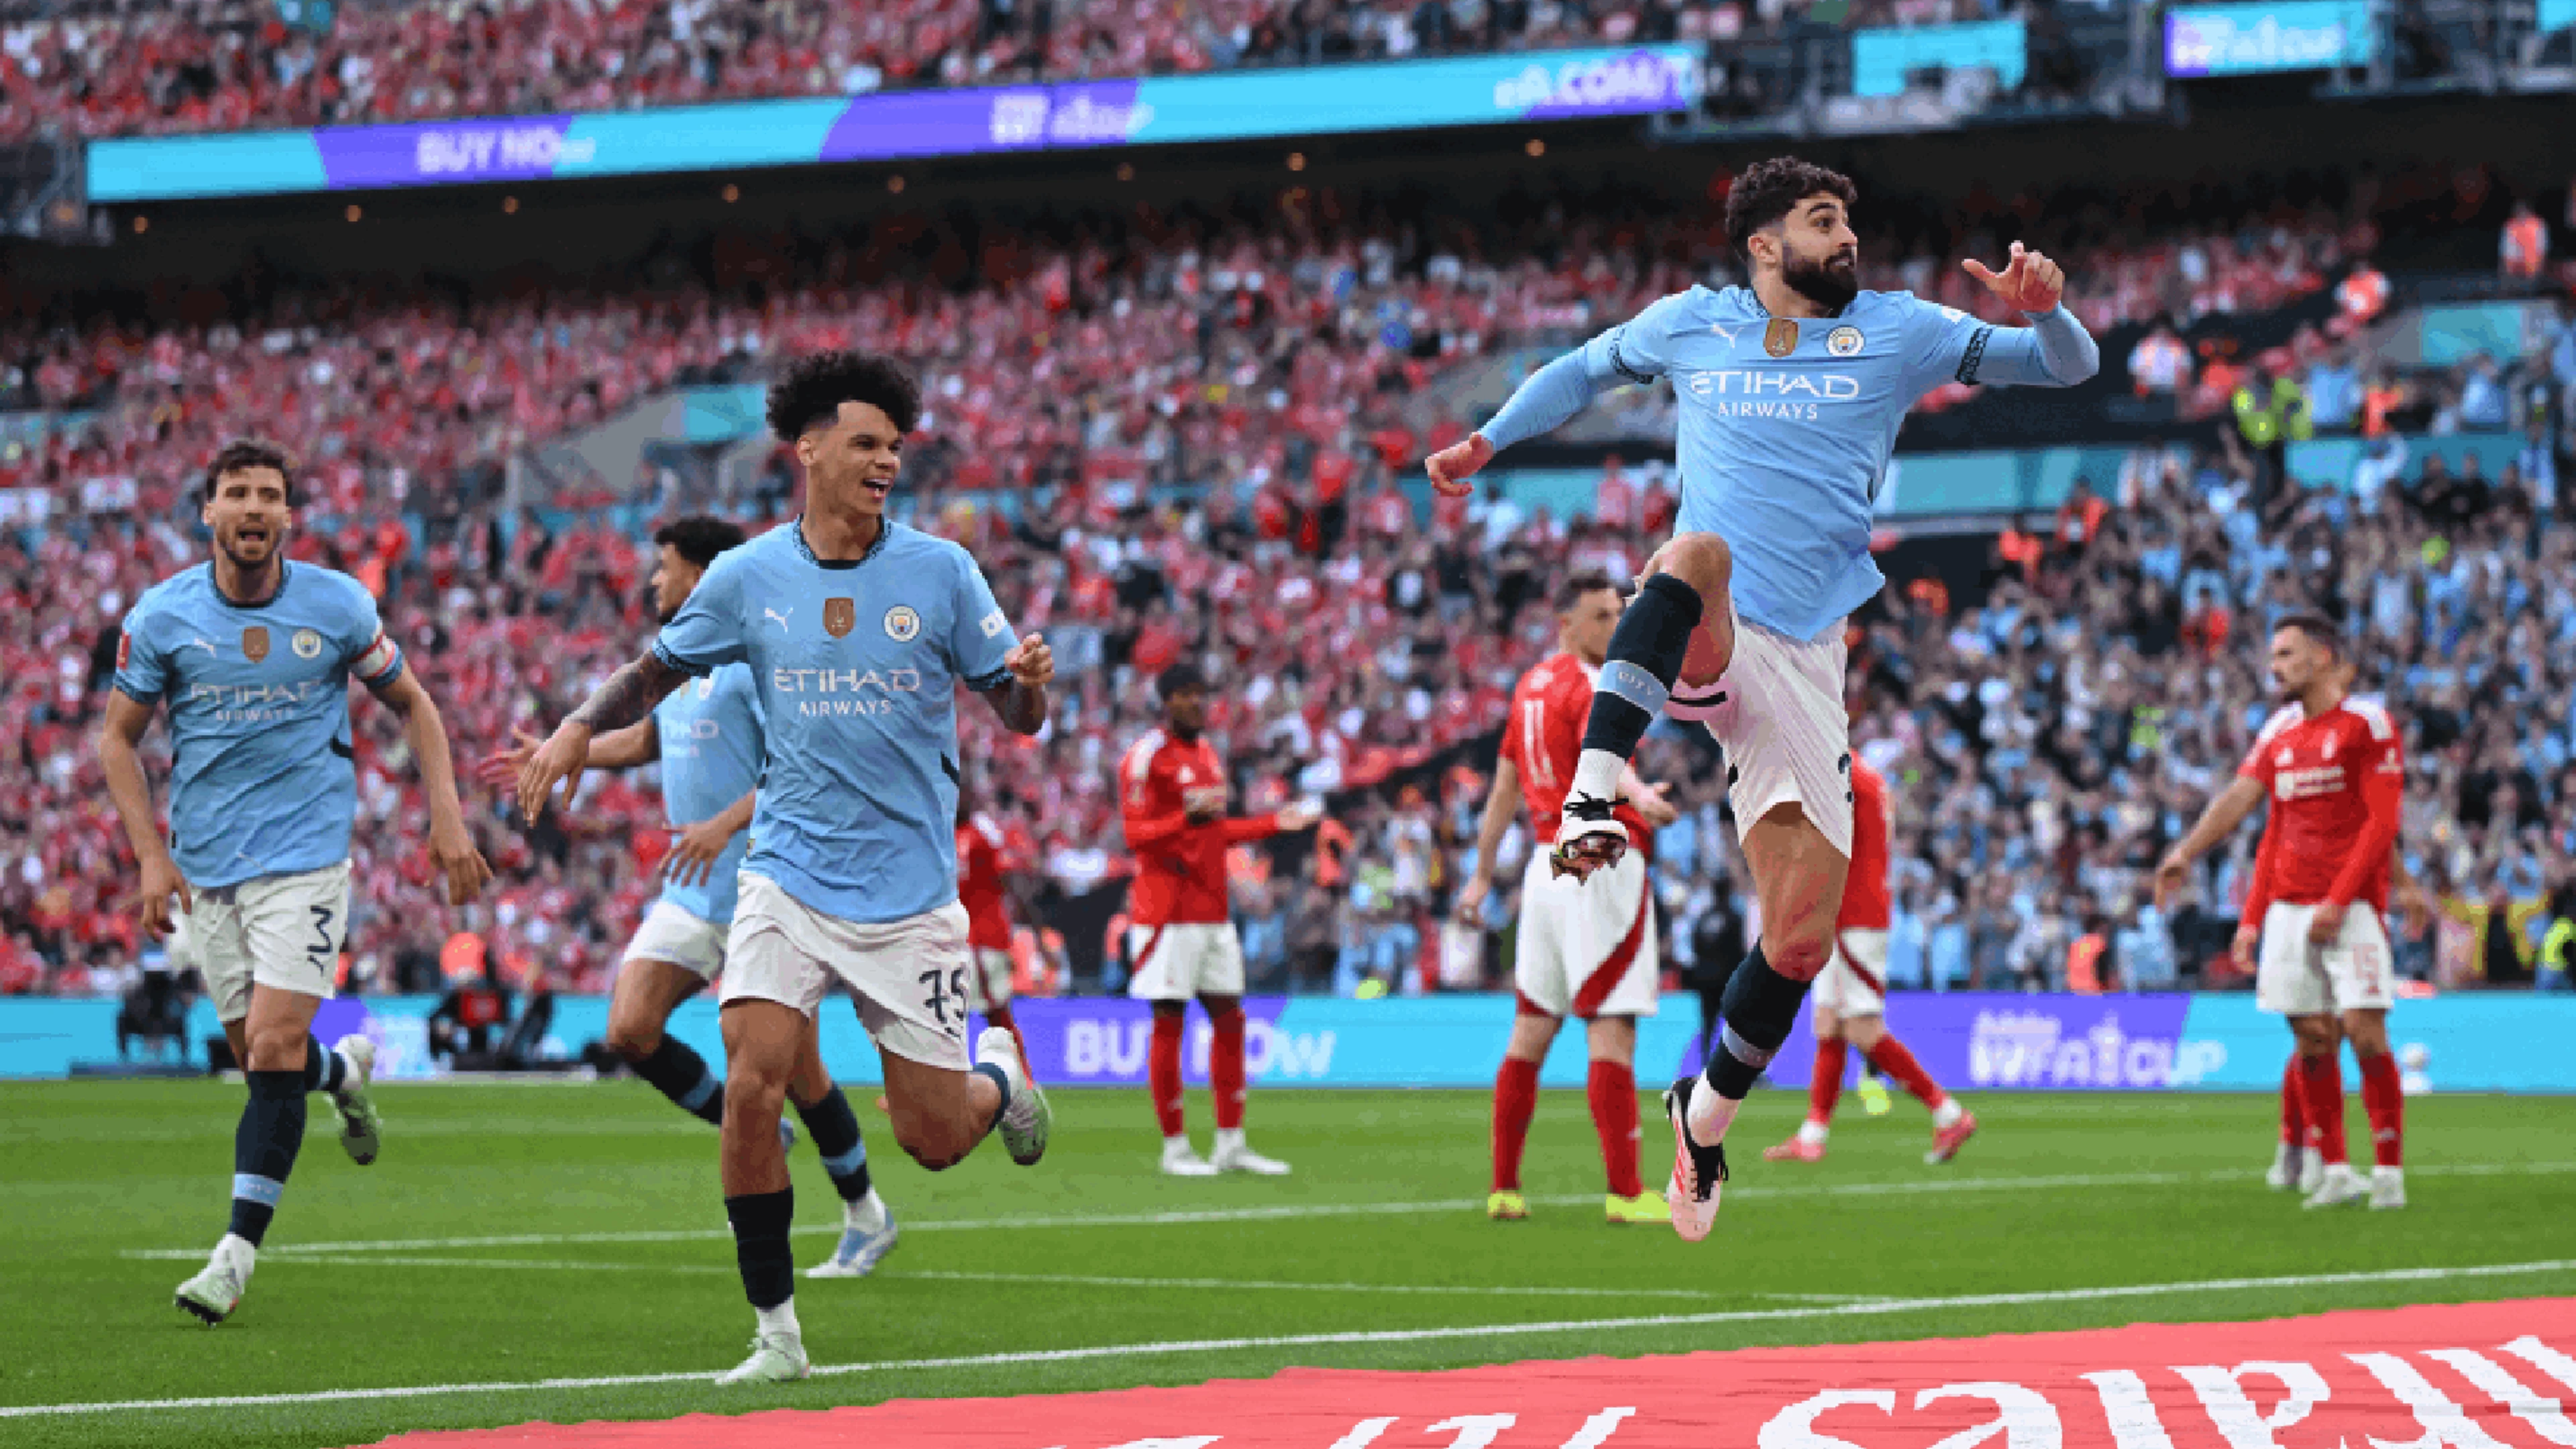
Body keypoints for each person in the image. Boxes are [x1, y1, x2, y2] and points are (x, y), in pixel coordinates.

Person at [1426, 155, 2099, 1242]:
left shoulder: (1900, 328)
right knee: (1692, 551)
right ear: (1765, 244)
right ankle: (1596, 798)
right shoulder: (1695, 322)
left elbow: (2066, 369)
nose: (1849, 238)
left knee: (1797, 943)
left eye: (1849, 222)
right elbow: (1580, 372)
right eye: (1824, 221)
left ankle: (1703, 1116)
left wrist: (2051, 313)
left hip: (1808, 663)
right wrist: (1486, 441)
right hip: (1710, 627)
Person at [515, 352, 1055, 1384]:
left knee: (936, 1142)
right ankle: (777, 1338)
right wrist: (576, 728)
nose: (886, 460)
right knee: (753, 1086)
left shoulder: (942, 572)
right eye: (866, 442)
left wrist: (1031, 687)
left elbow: (1017, 714)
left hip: (907, 897)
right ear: (807, 448)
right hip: (787, 877)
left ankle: (997, 1074)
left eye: (896, 446)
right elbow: (653, 672)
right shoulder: (747, 575)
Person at [96, 438, 492, 1324]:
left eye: (269, 495)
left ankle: (232, 1259)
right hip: (205, 870)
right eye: (236, 493)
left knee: (269, 1052)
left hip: (307, 860)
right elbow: (116, 739)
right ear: (208, 512)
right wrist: (151, 855)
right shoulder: (162, 618)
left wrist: (447, 815)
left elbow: (414, 704)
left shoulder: (338, 604)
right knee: (264, 1063)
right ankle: (342, 1072)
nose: (253, 509)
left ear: (288, 516)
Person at [479, 515, 895, 1281]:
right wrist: (559, 751)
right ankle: (744, 1125)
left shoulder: (758, 661)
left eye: (665, 568)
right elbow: (646, 742)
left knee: (799, 1070)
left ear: (702, 576)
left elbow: (802, 762)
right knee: (630, 1028)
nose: (653, 582)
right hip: (693, 888)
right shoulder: (674, 667)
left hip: (767, 888)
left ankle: (866, 1214)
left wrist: (721, 824)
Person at [2151, 615, 2407, 1211]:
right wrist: (2186, 853)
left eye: (2287, 655)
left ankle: (2389, 1172)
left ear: (2322, 657)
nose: (2274, 667)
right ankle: (2337, 1169)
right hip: (2289, 910)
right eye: (2273, 655)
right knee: (2313, 1039)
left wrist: (2341, 900)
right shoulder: (2278, 731)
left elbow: (2382, 822)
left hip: (2352, 908)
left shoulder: (2367, 723)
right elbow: (2241, 800)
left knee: (2366, 1034)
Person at [1456, 572, 1677, 1226]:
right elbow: (1606, 757)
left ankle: (1504, 1187)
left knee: (1531, 1029)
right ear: (1567, 625)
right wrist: (1642, 799)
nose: (1616, 626)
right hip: (1598, 859)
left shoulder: (1529, 687)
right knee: (1611, 1026)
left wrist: (1479, 875)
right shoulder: (1589, 683)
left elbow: (1503, 790)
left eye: (1618, 613)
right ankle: (1625, 1191)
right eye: (1602, 616)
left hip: (1541, 866)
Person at [1117, 663, 1319, 1177]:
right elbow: (1136, 835)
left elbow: (1214, 832)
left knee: (1231, 1020)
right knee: (1170, 1021)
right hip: (1167, 912)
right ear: (1165, 701)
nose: (1196, 704)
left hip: (1213, 909)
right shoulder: (1146, 758)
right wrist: (1189, 816)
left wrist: (1275, 823)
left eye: (1201, 695)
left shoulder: (1207, 753)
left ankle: (1230, 1142)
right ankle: (1176, 1149)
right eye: (1185, 695)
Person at [1763, 759, 1975, 1165]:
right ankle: (1813, 1134)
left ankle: (1948, 1113)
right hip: (1855, 909)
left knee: (1862, 1027)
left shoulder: (1838, 772)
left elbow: (1823, 845)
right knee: (1830, 1023)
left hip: (1851, 913)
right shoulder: (1868, 775)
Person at [955, 780, 1026, 1049]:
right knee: (951, 1014)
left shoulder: (981, 829)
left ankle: (1024, 1079)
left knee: (995, 1012)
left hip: (983, 936)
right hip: (956, 937)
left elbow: (1008, 877)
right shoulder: (943, 831)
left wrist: (1034, 933)